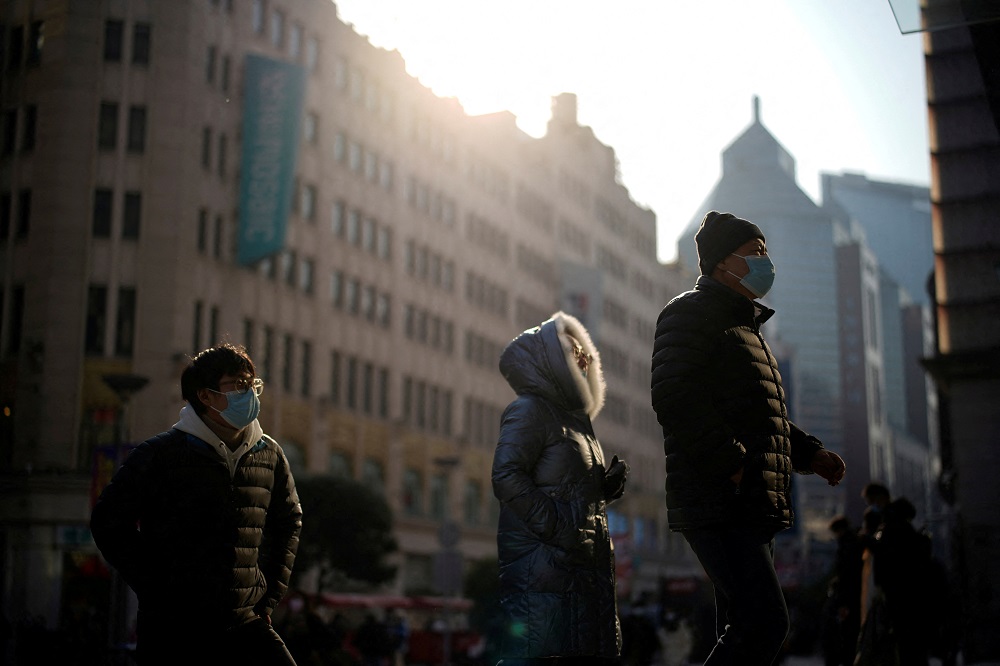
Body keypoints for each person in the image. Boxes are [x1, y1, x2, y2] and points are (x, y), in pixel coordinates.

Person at [650, 211, 846, 666]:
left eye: (765, 251)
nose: (766, 262)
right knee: (765, 622)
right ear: (722, 262)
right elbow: (674, 395)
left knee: (742, 626)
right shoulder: (689, 313)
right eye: (755, 253)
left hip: (750, 499)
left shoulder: (746, 329)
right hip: (719, 496)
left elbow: (759, 417)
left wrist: (810, 454)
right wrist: (732, 463)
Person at [90, 343, 302, 665]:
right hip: (174, 629)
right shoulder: (160, 455)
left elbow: (289, 521)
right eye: (239, 385)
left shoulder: (269, 454)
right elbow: (108, 521)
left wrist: (267, 596)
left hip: (245, 621)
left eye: (253, 385)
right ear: (205, 396)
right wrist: (157, 588)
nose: (250, 395)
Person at [492, 311, 628, 666]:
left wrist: (603, 490)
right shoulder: (529, 410)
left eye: (585, 351)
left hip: (585, 574)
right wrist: (560, 528)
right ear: (548, 360)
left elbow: (565, 490)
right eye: (572, 350)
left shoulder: (579, 425)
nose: (584, 357)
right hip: (546, 576)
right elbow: (506, 475)